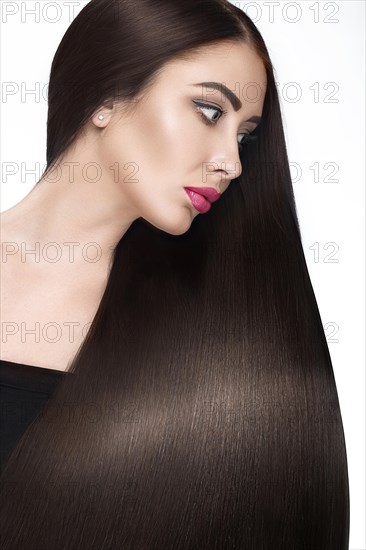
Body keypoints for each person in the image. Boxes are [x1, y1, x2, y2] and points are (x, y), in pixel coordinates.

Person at [0, 0, 350, 548]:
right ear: (108, 96)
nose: (231, 163)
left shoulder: (223, 338)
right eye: (211, 111)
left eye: (245, 134)